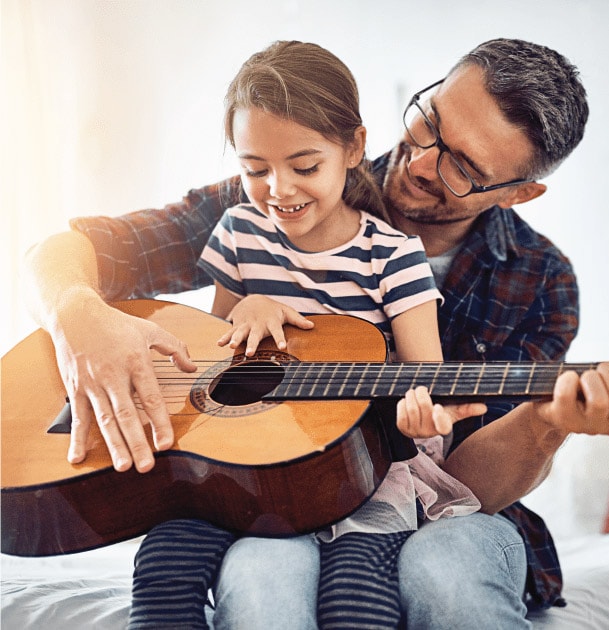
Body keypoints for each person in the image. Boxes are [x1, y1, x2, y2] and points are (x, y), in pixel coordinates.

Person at [22, 37, 609, 629]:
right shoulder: (283, 186)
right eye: (428, 121)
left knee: (445, 572)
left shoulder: (542, 281)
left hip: (437, 507)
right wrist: (79, 316)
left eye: (462, 167)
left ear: (517, 194)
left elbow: (467, 484)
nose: (420, 162)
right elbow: (63, 251)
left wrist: (546, 422)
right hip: (270, 504)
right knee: (257, 577)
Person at [131, 40, 484, 629]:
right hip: (240, 463)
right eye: (255, 170)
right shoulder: (241, 231)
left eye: (304, 166)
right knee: (163, 568)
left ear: (354, 149)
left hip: (361, 475)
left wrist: (424, 417)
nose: (279, 190)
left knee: (357, 604)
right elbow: (209, 358)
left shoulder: (393, 257)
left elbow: (426, 382)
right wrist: (245, 307)